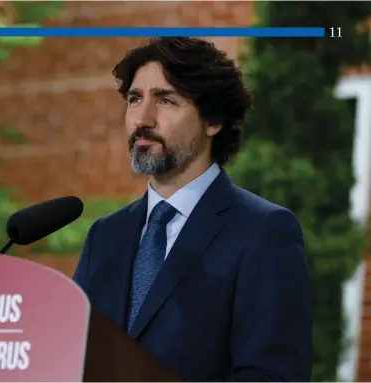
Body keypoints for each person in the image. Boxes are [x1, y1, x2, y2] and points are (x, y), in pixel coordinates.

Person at [72, 37, 312, 381]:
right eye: (134, 99)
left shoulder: (263, 231)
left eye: (166, 100)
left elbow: (273, 375)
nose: (143, 118)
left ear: (213, 121)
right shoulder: (105, 236)